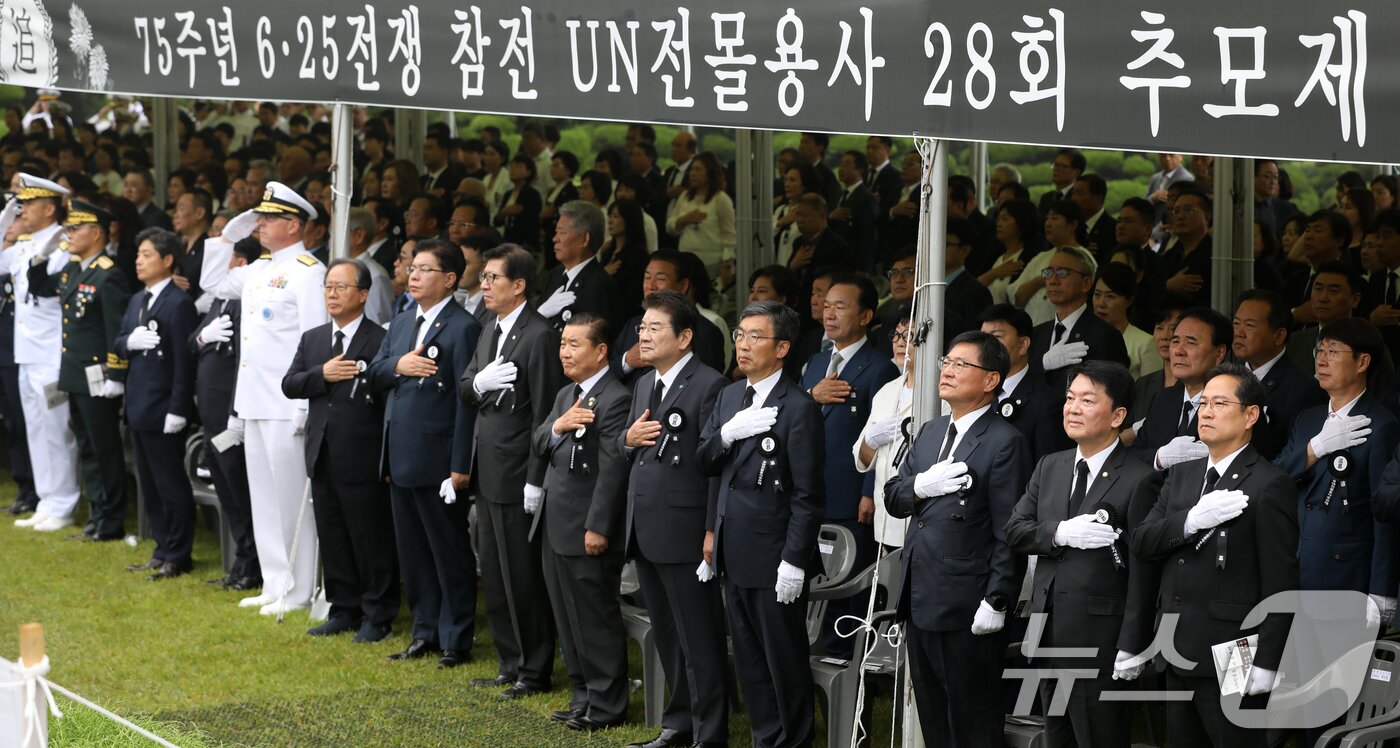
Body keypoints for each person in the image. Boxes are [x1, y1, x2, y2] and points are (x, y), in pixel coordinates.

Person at [1129, 362, 1298, 747]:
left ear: (1250, 414)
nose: (1206, 411)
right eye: (1204, 403)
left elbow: (1281, 582)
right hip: (1176, 644)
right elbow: (1142, 541)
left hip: (1236, 650)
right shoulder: (1183, 475)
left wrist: (1268, 661)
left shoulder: (1270, 484)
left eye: (1220, 403)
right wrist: (1188, 521)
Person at [885, 330, 1032, 747]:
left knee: (971, 721)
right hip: (920, 595)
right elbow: (894, 496)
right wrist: (922, 486)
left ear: (990, 380)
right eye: (945, 362)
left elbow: (1009, 530)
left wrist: (998, 598)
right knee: (933, 715)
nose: (947, 371)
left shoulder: (1004, 442)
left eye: (960, 365)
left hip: (968, 602)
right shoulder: (932, 432)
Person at [1005, 361, 1157, 748]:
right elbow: (1016, 530)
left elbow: (1143, 571)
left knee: (1099, 736)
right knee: (1057, 736)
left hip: (1101, 636)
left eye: (1087, 400)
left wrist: (1133, 641)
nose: (1072, 408)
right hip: (1047, 628)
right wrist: (1058, 533)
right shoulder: (1051, 465)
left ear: (1117, 415)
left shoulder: (1140, 479)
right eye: (1070, 398)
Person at [699, 300, 824, 748]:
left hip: (774, 558)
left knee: (784, 661)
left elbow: (808, 495)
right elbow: (705, 461)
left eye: (756, 337)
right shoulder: (731, 396)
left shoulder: (798, 406)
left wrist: (794, 560)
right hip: (734, 551)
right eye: (740, 335)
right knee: (749, 660)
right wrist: (728, 433)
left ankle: (793, 741)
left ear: (783, 347)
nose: (744, 345)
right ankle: (764, 738)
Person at [621, 290, 730, 748]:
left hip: (686, 530)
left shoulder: (710, 385)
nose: (643, 336)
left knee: (699, 639)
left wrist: (710, 528)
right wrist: (627, 439)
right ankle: (678, 722)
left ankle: (709, 733)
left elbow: (714, 467)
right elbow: (630, 448)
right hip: (646, 525)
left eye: (654, 329)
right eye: (642, 328)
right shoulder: (646, 382)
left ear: (684, 337)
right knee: (666, 633)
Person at [458, 243, 565, 698]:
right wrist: (478, 384)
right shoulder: (489, 327)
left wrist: (536, 480)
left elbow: (545, 411)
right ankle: (509, 662)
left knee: (522, 575)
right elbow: (465, 386)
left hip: (518, 471)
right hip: (488, 468)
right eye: (482, 276)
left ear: (518, 285)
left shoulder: (538, 334)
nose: (484, 284)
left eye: (493, 278)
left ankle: (534, 670)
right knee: (497, 574)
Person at [367, 239, 480, 662]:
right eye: (412, 268)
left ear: (449, 279)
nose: (412, 276)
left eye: (424, 269)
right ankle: (425, 630)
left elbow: (465, 401)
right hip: (400, 453)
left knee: (447, 549)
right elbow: (374, 371)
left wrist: (459, 464)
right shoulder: (401, 320)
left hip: (438, 459)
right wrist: (400, 365)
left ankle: (456, 638)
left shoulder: (463, 327)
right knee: (412, 551)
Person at [221, 182, 328, 616]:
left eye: (267, 218)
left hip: (288, 403)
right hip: (254, 400)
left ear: (293, 225)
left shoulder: (307, 271)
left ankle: (300, 588)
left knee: (291, 498)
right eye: (258, 217)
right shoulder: (260, 269)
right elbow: (214, 277)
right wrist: (242, 225)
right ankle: (274, 581)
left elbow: (315, 339)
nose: (259, 224)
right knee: (263, 497)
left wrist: (305, 402)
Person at [282, 259, 399, 643]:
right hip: (323, 451)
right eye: (328, 287)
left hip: (363, 454)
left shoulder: (380, 338)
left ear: (363, 295)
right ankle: (343, 607)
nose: (332, 294)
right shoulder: (314, 338)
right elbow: (291, 383)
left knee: (368, 536)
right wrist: (322, 375)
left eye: (341, 287)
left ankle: (377, 613)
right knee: (332, 533)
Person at [531, 313, 631, 731]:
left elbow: (612, 471)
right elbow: (538, 442)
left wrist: (598, 526)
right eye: (563, 344)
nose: (565, 352)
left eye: (575, 344)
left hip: (587, 525)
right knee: (567, 616)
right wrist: (559, 425)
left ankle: (607, 706)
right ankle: (582, 696)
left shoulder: (616, 397)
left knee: (595, 617)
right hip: (556, 520)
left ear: (601, 351)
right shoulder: (566, 395)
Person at [1276, 319, 1399, 649]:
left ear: (1362, 362)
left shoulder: (1382, 425)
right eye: (1319, 349)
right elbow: (1275, 481)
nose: (1321, 359)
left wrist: (1382, 589)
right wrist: (1314, 449)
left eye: (1333, 351)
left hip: (1345, 576)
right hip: (1296, 569)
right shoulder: (1309, 419)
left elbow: (1384, 512)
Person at [800, 273, 899, 657]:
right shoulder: (816, 362)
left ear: (865, 315)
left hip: (849, 497)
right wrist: (812, 395)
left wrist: (867, 491)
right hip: (810, 494)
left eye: (840, 306)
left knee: (846, 589)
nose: (829, 313)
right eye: (826, 306)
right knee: (811, 583)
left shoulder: (879, 368)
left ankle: (847, 669)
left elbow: (882, 435)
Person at [25, 199, 131, 540]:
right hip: (74, 374)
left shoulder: (108, 273)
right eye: (68, 228)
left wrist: (116, 375)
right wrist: (39, 259)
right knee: (87, 448)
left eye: (75, 228)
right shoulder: (73, 268)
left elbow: (116, 329)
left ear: (96, 232)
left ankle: (111, 521)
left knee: (105, 450)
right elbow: (41, 288)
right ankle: (97, 517)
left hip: (98, 376)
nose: (68, 234)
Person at [114, 227, 197, 578]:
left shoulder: (178, 304)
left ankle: (178, 553)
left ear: (167, 260)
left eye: (147, 255)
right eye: (138, 254)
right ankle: (162, 547)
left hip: (164, 408)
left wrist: (178, 409)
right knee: (149, 485)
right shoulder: (138, 299)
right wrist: (129, 342)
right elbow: (118, 342)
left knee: (170, 484)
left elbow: (184, 361)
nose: (139, 260)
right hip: (139, 405)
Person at [6, 175, 83, 532]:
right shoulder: (22, 244)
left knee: (56, 430)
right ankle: (46, 498)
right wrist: (7, 217)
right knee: (36, 427)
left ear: (49, 208)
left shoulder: (62, 246)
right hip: (27, 352)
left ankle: (64, 501)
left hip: (52, 352)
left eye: (28, 203)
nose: (22, 208)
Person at [191, 236, 261, 590]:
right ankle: (241, 562)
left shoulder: (242, 299)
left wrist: (237, 412)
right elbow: (194, 341)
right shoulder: (221, 298)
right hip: (211, 414)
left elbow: (242, 364)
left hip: (229, 413)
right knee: (226, 490)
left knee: (239, 489)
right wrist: (204, 338)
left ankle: (251, 565)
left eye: (230, 258)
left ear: (243, 263)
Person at [1232, 290, 1327, 460]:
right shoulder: (1225, 376)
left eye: (1250, 325)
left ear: (1279, 335)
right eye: (1236, 323)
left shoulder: (1304, 390)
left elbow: (1297, 456)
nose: (1239, 332)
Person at [1134, 307, 1231, 469]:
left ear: (1219, 353)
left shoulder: (1231, 406)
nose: (1179, 351)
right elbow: (1132, 455)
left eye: (1191, 342)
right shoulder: (1163, 399)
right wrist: (1159, 458)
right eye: (1175, 341)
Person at [981, 304, 1073, 463]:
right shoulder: (975, 392)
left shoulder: (1048, 404)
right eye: (982, 338)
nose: (985, 347)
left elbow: (1049, 470)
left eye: (996, 338)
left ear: (1022, 344)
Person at [854, 310, 914, 550]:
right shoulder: (887, 391)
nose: (900, 343)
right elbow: (861, 459)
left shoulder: (943, 394)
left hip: (919, 522)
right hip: (885, 520)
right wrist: (872, 439)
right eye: (896, 335)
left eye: (910, 335)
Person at [1029, 247, 1129, 391]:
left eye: (1062, 273)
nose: (1053, 280)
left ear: (1086, 283)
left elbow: (1114, 391)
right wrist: (1042, 365)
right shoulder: (1037, 334)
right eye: (1049, 272)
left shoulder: (1105, 335)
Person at [535, 200, 622, 333]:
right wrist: (541, 314)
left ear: (584, 239)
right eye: (556, 232)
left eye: (562, 233)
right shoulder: (556, 274)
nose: (555, 238)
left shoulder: (599, 286)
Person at [665, 152, 735, 274]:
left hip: (712, 264)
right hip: (685, 261)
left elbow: (729, 236)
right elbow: (669, 228)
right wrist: (684, 219)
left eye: (698, 170)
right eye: (691, 169)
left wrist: (727, 264)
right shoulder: (685, 196)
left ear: (710, 172)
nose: (692, 174)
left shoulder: (721, 199)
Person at [1093, 262, 1158, 380]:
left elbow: (1151, 390)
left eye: (1110, 296)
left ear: (1129, 301)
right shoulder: (1087, 336)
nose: (1100, 303)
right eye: (1097, 294)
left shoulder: (1145, 343)